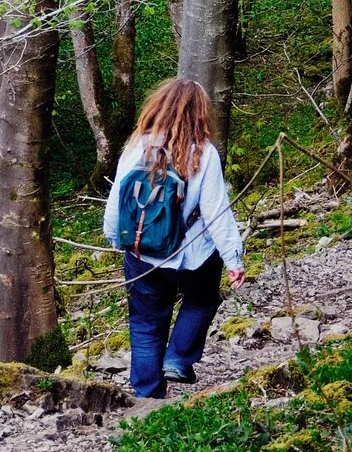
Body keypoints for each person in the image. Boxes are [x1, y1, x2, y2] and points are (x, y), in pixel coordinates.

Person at [101, 78, 246, 400]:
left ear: (159, 106)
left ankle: (147, 394)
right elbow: (215, 210)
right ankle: (178, 359)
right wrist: (233, 259)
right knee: (202, 301)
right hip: (193, 255)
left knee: (145, 322)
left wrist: (117, 238)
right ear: (200, 113)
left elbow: (117, 200)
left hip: (142, 251)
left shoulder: (137, 144)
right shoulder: (204, 152)